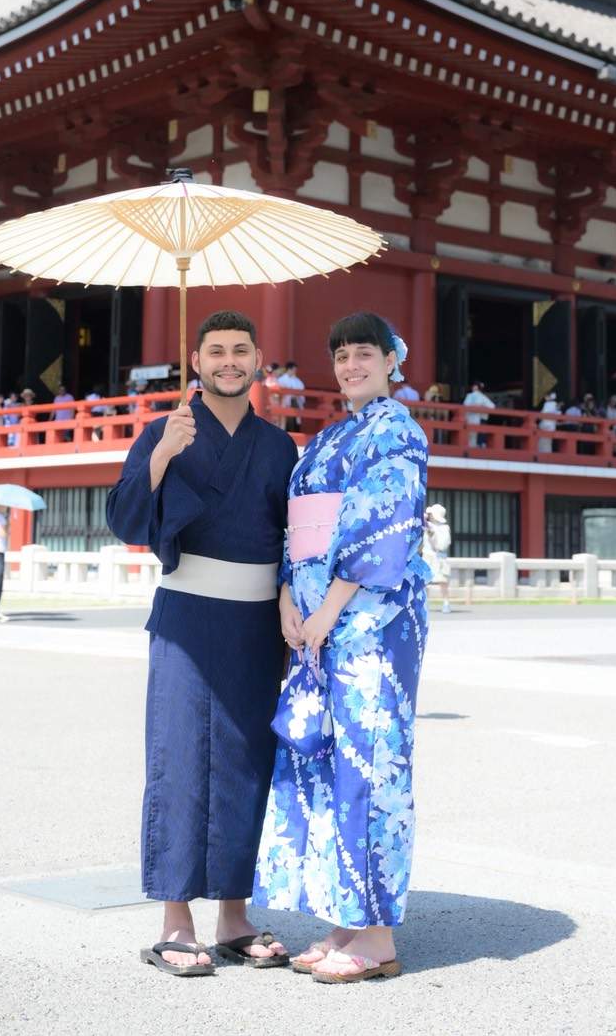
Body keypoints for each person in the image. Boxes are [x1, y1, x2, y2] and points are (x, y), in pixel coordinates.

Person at [106, 310, 297, 975]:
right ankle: (174, 922)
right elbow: (126, 520)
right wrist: (161, 454)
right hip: (187, 613)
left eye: (239, 350)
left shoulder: (278, 446)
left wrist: (286, 599)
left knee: (247, 761)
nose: (228, 361)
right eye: (215, 350)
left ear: (257, 358)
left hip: (252, 621)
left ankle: (234, 917)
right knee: (180, 757)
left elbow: (293, 537)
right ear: (196, 359)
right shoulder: (165, 430)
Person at [253, 310, 428, 984]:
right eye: (342, 354)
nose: (351, 364)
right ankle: (342, 916)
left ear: (392, 360)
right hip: (318, 623)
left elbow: (380, 529)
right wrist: (286, 599)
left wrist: (325, 607)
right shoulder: (328, 439)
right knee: (322, 763)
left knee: (370, 758)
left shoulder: (396, 431)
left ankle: (377, 932)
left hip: (369, 624)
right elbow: (297, 530)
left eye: (364, 353)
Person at [424, 502, 453, 612]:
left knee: (443, 581)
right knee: (425, 582)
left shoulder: (444, 528)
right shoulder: (429, 525)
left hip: (439, 557)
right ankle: (425, 603)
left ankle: (446, 602)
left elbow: (441, 544)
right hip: (429, 556)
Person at [463, 380, 494, 449]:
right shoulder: (482, 397)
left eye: (474, 385)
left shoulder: (470, 395)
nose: (473, 387)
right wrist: (482, 409)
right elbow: (492, 406)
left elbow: (464, 406)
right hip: (475, 419)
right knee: (473, 437)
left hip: (470, 419)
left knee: (470, 437)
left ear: (476, 387)